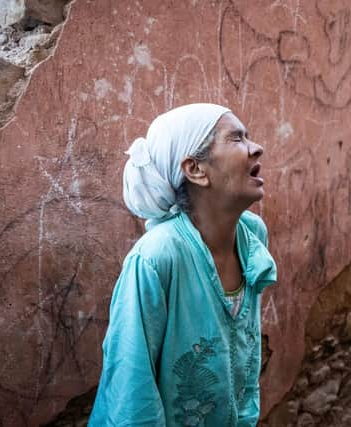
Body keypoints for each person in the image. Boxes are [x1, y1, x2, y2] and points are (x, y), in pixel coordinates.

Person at [89, 103, 277, 427]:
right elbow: (132, 392)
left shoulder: (252, 235)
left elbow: (244, 355)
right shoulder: (156, 258)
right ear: (195, 170)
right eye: (237, 139)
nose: (256, 147)